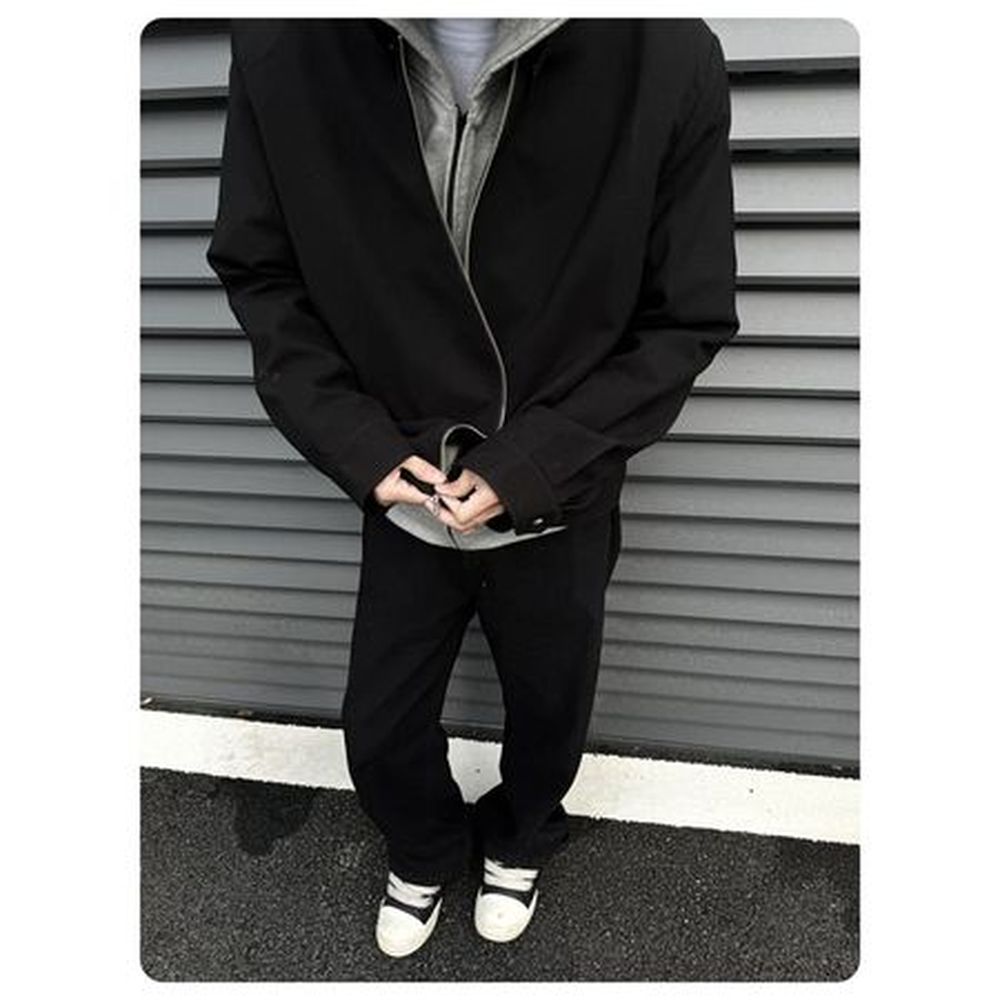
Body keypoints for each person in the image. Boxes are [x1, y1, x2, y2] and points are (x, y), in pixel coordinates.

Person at [206, 16, 739, 959]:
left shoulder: (665, 49)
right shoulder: (282, 44)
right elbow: (262, 270)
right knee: (379, 727)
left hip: (560, 491)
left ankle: (521, 837)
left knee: (551, 710)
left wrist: (534, 464)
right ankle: (424, 845)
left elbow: (685, 316)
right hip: (406, 484)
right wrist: (359, 445)